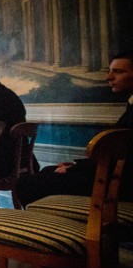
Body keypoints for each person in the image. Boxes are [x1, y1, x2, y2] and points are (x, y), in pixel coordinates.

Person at [13, 51, 133, 207]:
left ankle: (51, 225)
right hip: (111, 174)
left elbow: (125, 158)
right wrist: (76, 166)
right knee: (48, 171)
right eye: (110, 71)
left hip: (120, 184)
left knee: (26, 183)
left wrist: (78, 168)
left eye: (118, 72)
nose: (108, 77)